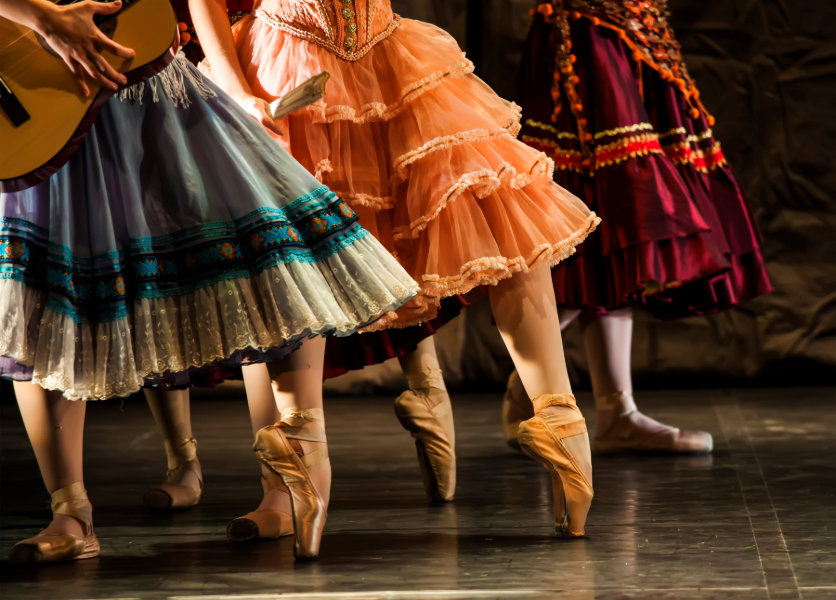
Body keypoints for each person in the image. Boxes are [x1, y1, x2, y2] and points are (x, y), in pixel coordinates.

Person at [0, 0, 418, 563]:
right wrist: (40, 16)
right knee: (38, 293)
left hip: (147, 86)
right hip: (39, 97)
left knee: (267, 241)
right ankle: (70, 512)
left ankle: (294, 467)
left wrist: (231, 79)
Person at [184, 0, 601, 557]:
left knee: (488, 209)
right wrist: (234, 86)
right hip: (304, 52)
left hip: (367, 54)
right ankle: (287, 481)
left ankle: (300, 468)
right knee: (287, 243)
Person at [507, 1, 773, 453]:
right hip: (587, 33)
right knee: (608, 206)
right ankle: (537, 389)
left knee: (620, 217)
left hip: (636, 31)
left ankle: (606, 408)